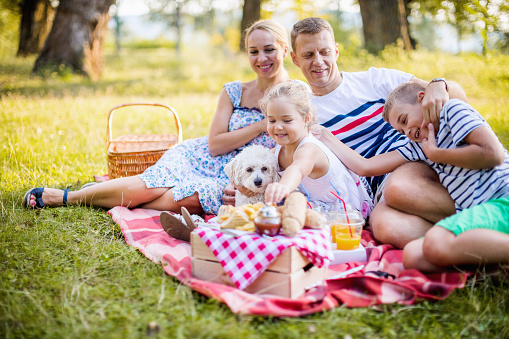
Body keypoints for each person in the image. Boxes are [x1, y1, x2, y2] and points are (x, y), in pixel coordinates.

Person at [23, 19, 290, 219]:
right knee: (153, 184)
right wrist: (260, 125)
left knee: (195, 198)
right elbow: (215, 145)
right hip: (200, 156)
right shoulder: (234, 91)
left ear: (285, 51)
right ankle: (67, 197)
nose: (261, 58)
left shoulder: (294, 95)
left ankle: (106, 194)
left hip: (240, 176)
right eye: (254, 51)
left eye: (269, 49)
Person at [286, 17, 469, 249]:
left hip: (410, 161)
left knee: (398, 187)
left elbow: (458, 99)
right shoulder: (303, 113)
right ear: (294, 58)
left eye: (324, 52)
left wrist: (439, 84)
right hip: (374, 191)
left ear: (336, 51)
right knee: (384, 227)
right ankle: (472, 251)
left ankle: (489, 218)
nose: (318, 61)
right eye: (308, 55)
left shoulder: (375, 80)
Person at [260, 81, 373, 216]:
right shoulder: (281, 147)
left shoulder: (309, 149)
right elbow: (261, 162)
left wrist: (283, 187)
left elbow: (298, 168)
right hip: (313, 203)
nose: (278, 127)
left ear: (306, 118)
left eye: (287, 120)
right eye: (272, 121)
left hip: (343, 211)